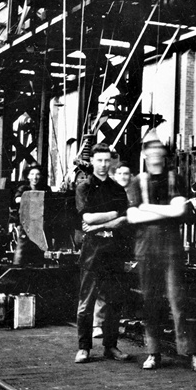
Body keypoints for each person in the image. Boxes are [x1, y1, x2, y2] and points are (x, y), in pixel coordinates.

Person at [126, 129, 196, 373]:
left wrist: (146, 208)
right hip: (145, 248)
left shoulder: (176, 179)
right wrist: (161, 210)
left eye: (159, 152)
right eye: (150, 152)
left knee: (178, 300)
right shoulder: (136, 182)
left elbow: (178, 212)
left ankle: (190, 353)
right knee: (149, 301)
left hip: (171, 248)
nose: (155, 157)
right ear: (144, 154)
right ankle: (153, 353)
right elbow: (132, 216)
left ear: (164, 155)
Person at [74, 143, 133, 364]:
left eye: (107, 161)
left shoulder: (117, 189)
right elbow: (86, 218)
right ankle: (84, 348)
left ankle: (111, 346)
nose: (103, 165)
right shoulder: (84, 187)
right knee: (86, 301)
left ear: (111, 162)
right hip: (92, 252)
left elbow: (123, 219)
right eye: (99, 160)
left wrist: (100, 224)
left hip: (113, 251)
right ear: (92, 162)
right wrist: (112, 216)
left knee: (114, 300)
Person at [92, 160, 134, 339]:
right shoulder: (110, 194)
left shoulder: (133, 194)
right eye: (120, 174)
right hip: (108, 243)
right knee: (103, 285)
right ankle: (97, 324)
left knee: (120, 286)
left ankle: (114, 325)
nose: (124, 177)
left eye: (127, 174)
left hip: (127, 242)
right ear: (114, 176)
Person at [10, 163, 50, 266]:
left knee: (40, 253)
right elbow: (17, 199)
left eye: (37, 174)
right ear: (28, 176)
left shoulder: (46, 189)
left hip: (41, 226)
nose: (35, 177)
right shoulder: (23, 189)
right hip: (25, 225)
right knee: (20, 253)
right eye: (32, 174)